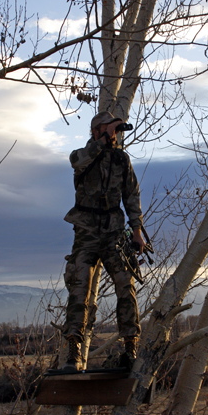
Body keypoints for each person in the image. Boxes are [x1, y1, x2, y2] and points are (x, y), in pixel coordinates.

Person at [61, 110, 146, 372]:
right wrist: (103, 137)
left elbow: (131, 195)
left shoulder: (121, 159)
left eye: (116, 132)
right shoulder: (83, 156)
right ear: (96, 131)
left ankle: (130, 345)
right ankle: (74, 349)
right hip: (86, 232)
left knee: (125, 283)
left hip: (113, 231)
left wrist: (137, 231)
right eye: (110, 131)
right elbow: (78, 161)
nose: (115, 136)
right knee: (80, 286)